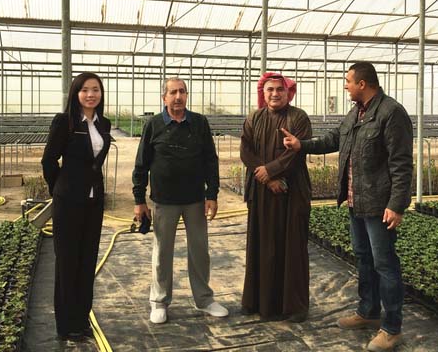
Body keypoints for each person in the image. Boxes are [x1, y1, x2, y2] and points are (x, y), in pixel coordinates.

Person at [282, 62, 413, 352]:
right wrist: (300, 145)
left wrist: (397, 204)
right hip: (357, 202)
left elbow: (401, 163)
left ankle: (392, 329)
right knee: (364, 259)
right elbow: (333, 139)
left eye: (348, 81)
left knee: (385, 264)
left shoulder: (391, 113)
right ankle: (368, 312)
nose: (346, 86)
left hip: (380, 205)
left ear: (363, 84)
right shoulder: (357, 113)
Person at [132, 77, 228, 324]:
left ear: (187, 95)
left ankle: (204, 299)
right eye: (173, 92)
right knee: (162, 252)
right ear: (164, 97)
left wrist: (212, 194)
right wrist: (139, 199)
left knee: (199, 250)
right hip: (164, 201)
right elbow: (141, 163)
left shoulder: (199, 123)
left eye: (182, 92)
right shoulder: (153, 125)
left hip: (195, 200)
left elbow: (210, 160)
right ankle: (159, 301)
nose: (178, 96)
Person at [41, 72, 112, 341]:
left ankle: (82, 320)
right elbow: (49, 160)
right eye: (85, 90)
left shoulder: (103, 123)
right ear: (76, 93)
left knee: (87, 259)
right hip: (68, 201)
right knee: (68, 261)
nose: (91, 94)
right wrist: (59, 189)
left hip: (94, 202)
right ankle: (66, 324)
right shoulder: (65, 122)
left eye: (95, 89)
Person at [240, 72, 312, 322]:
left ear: (288, 92)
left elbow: (297, 152)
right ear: (263, 92)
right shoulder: (254, 117)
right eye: (269, 89)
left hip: (292, 192)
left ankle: (294, 307)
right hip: (262, 192)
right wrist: (268, 178)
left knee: (292, 248)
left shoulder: (298, 117)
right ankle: (258, 303)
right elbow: (245, 150)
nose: (274, 94)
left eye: (279, 89)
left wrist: (271, 170)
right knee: (262, 246)